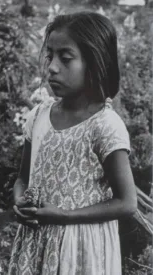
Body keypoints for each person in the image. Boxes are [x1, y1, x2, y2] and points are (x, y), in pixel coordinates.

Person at [8, 12, 137, 274]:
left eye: (65, 59)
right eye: (50, 56)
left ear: (95, 63)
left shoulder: (104, 126)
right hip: (36, 240)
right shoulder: (39, 116)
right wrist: (20, 202)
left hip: (81, 251)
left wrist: (65, 217)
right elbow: (23, 178)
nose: (52, 67)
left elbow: (126, 202)